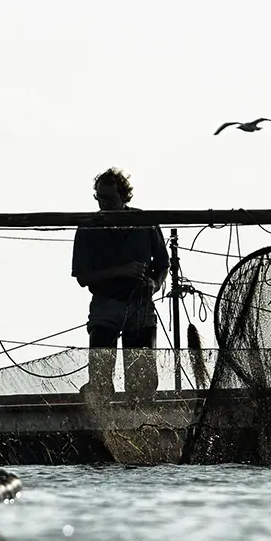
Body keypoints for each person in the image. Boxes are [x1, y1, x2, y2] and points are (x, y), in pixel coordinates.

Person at [71, 167, 168, 398]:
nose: (104, 204)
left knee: (142, 382)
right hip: (106, 304)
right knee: (100, 379)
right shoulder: (88, 227)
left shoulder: (145, 222)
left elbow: (163, 265)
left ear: (124, 196)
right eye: (100, 198)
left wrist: (154, 285)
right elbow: (82, 277)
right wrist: (120, 271)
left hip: (140, 305)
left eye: (109, 198)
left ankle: (141, 424)